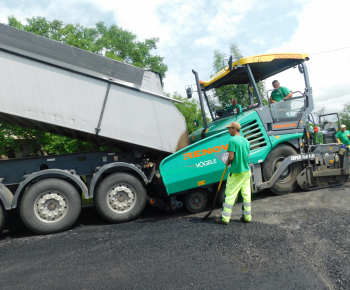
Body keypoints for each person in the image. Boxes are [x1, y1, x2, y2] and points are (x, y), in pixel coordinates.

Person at [216, 121, 251, 225]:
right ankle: (247, 217)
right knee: (246, 194)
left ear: (234, 129)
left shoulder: (233, 140)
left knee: (230, 194)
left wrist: (228, 162)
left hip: (236, 172)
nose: (228, 130)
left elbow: (231, 157)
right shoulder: (246, 141)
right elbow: (247, 156)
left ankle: (225, 218)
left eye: (229, 128)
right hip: (246, 171)